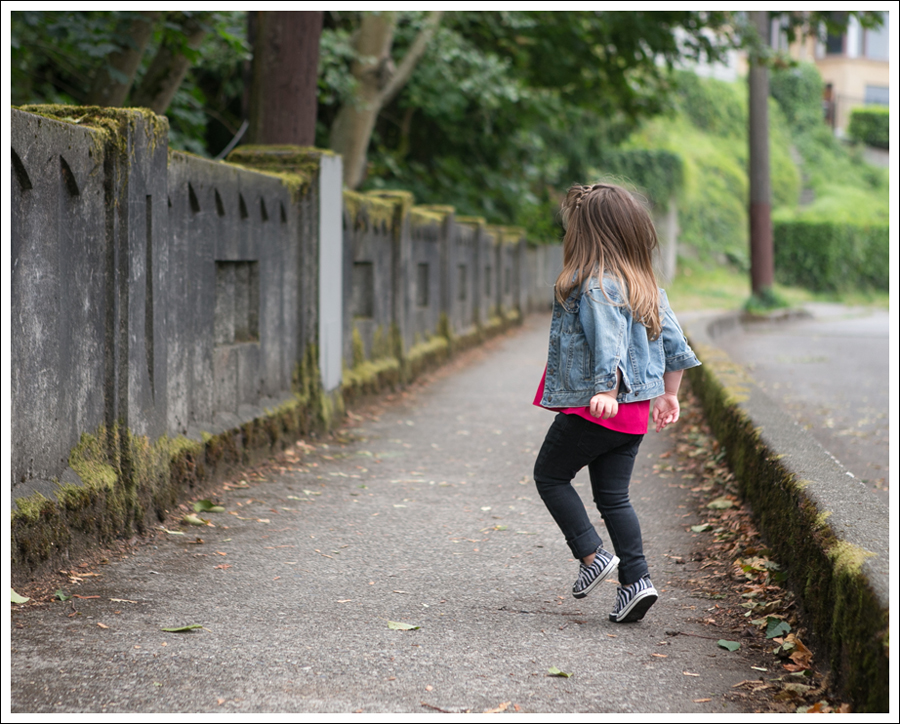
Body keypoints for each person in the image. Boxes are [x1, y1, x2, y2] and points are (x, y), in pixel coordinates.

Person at [532, 182, 701, 623]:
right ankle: (636, 581)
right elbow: (676, 346)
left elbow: (608, 344)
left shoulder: (596, 287)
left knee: (550, 475)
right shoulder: (647, 286)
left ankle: (592, 557)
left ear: (584, 236)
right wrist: (669, 395)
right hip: (634, 418)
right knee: (614, 499)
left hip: (599, 409)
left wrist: (606, 389)